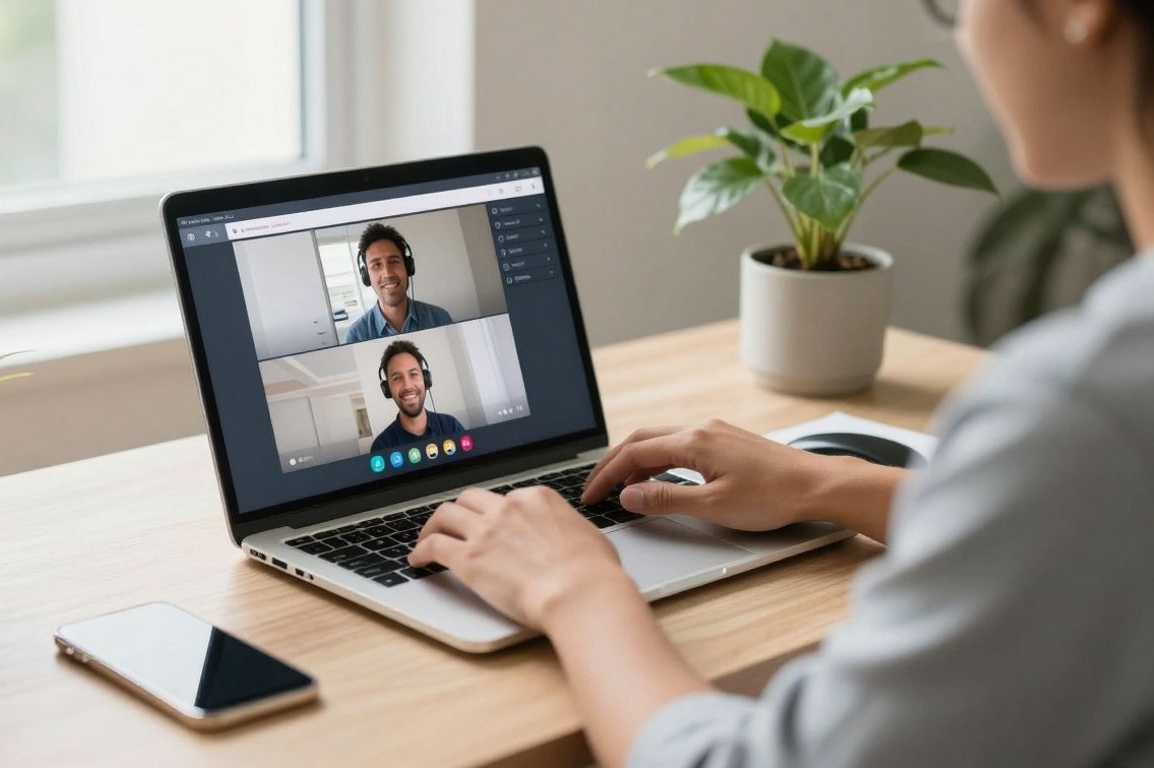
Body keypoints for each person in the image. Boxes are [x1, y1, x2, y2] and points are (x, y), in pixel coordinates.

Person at [408, 1, 1154, 765]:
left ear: (1077, 11)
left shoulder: (1083, 411)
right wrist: (832, 484)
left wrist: (575, 589)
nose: (963, 28)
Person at [345, 222, 453, 343]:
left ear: (408, 267)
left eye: (394, 261)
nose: (387, 273)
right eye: (376, 265)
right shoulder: (356, 336)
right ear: (366, 276)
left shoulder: (440, 319)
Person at [370, 340, 466, 453]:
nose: (407, 385)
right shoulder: (381, 447)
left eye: (413, 374)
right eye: (397, 378)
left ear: (426, 380)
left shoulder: (451, 426)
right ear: (388, 389)